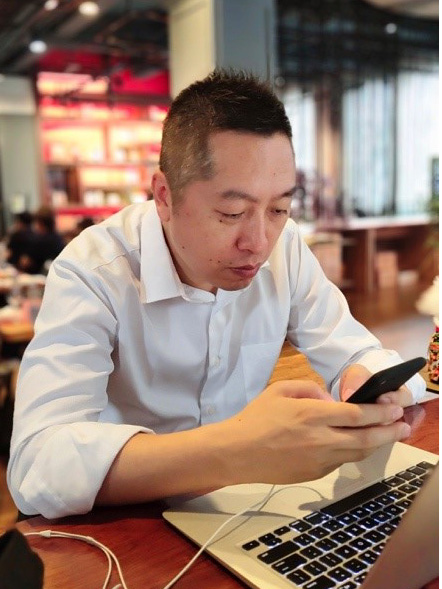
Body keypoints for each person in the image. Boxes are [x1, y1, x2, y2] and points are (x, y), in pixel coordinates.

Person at [7, 70, 424, 519]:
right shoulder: (95, 270)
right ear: (164, 196)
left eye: (280, 208)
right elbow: (37, 465)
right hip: (129, 522)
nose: (259, 242)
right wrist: (238, 450)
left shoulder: (285, 248)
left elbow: (357, 353)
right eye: (231, 212)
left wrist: (370, 384)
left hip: (239, 508)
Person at [18, 206, 65, 274]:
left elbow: (24, 262)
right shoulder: (58, 238)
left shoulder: (39, 241)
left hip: (38, 277)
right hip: (57, 277)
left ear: (40, 223)